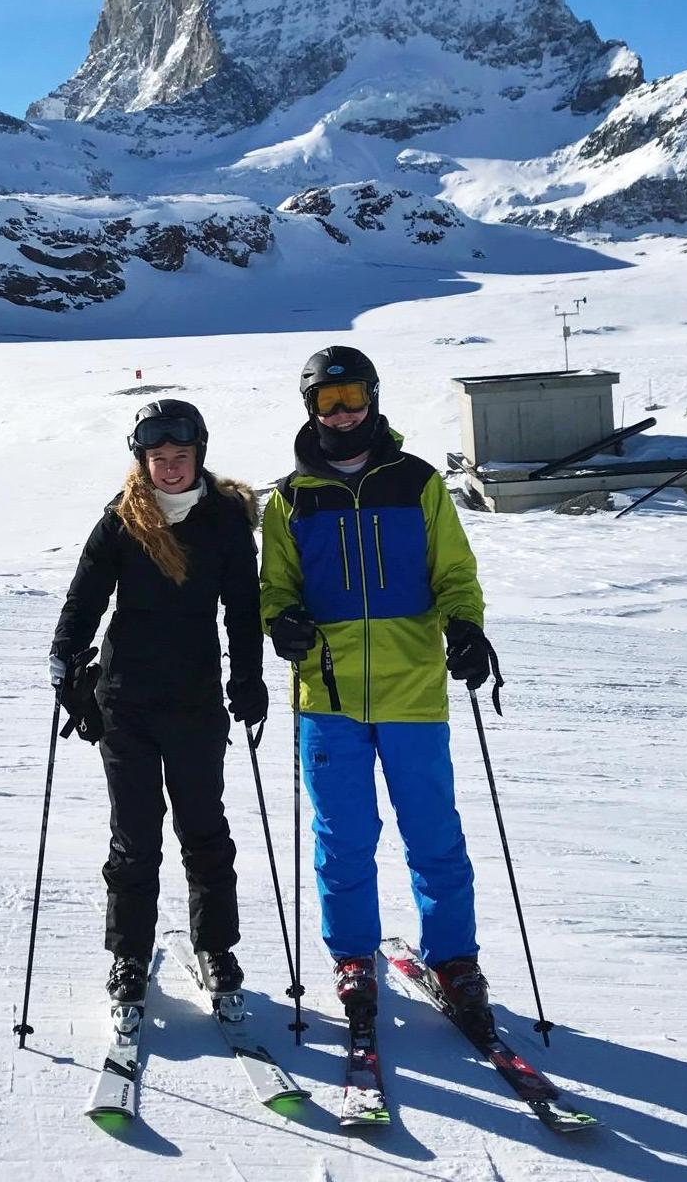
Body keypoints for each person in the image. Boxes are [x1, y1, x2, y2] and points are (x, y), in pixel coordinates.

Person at [258, 346, 500, 1029]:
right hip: (326, 698)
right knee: (343, 837)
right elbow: (275, 588)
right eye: (329, 402)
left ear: (373, 396)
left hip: (414, 688)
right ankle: (353, 959)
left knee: (433, 836)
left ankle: (453, 960)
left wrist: (465, 628)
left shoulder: (417, 483)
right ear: (312, 408)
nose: (343, 413)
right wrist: (283, 625)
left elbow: (454, 572)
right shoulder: (290, 499)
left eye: (353, 397)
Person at [50, 398, 268, 1010]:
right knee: (135, 837)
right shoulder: (123, 518)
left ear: (199, 454)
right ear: (142, 461)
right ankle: (129, 954)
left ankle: (217, 947)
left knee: (204, 830)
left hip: (197, 700)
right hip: (126, 701)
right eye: (158, 458)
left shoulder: (225, 518)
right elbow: (85, 594)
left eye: (180, 457)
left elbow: (243, 609)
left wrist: (248, 678)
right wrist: (65, 656)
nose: (170, 469)